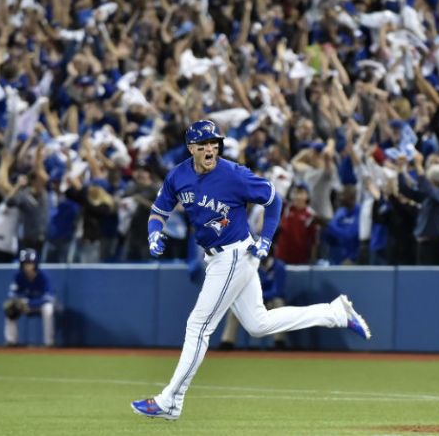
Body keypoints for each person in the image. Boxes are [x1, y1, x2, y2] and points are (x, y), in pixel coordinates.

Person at [131, 120, 371, 421]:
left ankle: (170, 400)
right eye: (203, 144)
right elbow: (159, 211)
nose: (209, 148)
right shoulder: (178, 175)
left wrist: (267, 239)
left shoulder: (233, 174)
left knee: (198, 325)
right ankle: (335, 313)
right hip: (216, 257)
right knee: (258, 324)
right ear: (191, 147)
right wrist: (154, 232)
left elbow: (273, 199)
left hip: (235, 254)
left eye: (214, 143)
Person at [219, 246, 289, 350]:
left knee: (279, 303)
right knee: (235, 308)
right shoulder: (252, 265)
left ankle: (279, 342)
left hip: (270, 302)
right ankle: (227, 342)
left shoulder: (278, 266)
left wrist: (260, 296)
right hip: (254, 302)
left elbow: (277, 291)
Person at [2, 248, 55, 347]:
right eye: (25, 263)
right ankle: (11, 341)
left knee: (48, 309)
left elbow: (49, 298)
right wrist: (18, 302)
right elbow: (12, 293)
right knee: (10, 309)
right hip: (24, 305)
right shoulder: (19, 276)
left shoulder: (43, 276)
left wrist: (30, 303)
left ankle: (49, 343)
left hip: (39, 305)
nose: (28, 266)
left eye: (30, 263)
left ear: (35, 264)